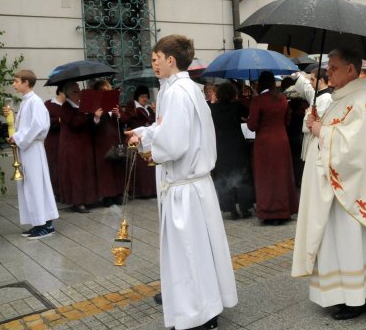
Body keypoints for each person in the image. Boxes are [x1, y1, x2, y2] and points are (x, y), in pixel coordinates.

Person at [126, 35, 237, 330]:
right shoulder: (186, 88)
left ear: (170, 59)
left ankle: (197, 315)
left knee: (189, 252)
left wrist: (147, 147)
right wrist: (145, 133)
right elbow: (168, 129)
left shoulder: (176, 92)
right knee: (199, 251)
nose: (154, 65)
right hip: (193, 184)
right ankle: (202, 307)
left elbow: (173, 144)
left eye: (155, 59)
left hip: (184, 187)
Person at [292, 47, 366, 321]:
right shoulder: (341, 98)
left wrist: (322, 131)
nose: (328, 72)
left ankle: (357, 298)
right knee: (340, 243)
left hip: (350, 193)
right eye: (328, 68)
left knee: (351, 241)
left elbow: (355, 147)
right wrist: (318, 123)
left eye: (333, 67)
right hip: (336, 189)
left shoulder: (362, 101)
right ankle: (348, 294)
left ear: (351, 69)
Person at [2, 70, 59, 239]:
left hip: (33, 149)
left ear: (26, 82)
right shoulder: (26, 102)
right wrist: (13, 114)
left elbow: (39, 126)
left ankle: (46, 225)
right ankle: (38, 222)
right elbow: (27, 123)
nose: (14, 84)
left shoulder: (35, 101)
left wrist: (17, 137)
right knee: (29, 187)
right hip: (26, 149)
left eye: (16, 81)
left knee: (37, 186)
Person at [247, 71, 298, 225]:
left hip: (265, 143)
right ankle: (284, 210)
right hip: (282, 140)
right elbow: (288, 119)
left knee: (266, 177)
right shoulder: (282, 98)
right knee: (282, 176)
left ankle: (270, 212)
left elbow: (252, 125)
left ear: (260, 83)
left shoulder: (259, 101)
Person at [210, 82, 254, 220]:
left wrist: (212, 102)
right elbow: (248, 114)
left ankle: (231, 209)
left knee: (224, 176)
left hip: (221, 145)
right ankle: (244, 207)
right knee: (241, 175)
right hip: (237, 143)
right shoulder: (237, 106)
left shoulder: (213, 109)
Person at [58, 81, 99, 213]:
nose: (79, 93)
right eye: (76, 91)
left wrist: (95, 117)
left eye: (79, 90)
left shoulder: (81, 106)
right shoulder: (66, 107)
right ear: (69, 95)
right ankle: (77, 201)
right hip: (72, 147)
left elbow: (90, 124)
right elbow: (74, 123)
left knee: (86, 172)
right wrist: (86, 113)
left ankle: (88, 198)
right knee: (76, 174)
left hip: (84, 145)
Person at [91, 79, 125, 207]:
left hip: (116, 141)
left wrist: (119, 115)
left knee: (117, 167)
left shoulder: (115, 104)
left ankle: (118, 194)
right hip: (102, 142)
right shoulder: (95, 106)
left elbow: (124, 121)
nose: (105, 92)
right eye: (102, 90)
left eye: (107, 90)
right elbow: (91, 125)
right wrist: (96, 116)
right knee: (105, 170)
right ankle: (107, 196)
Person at [120, 85, 157, 198]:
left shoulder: (148, 108)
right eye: (142, 96)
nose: (144, 99)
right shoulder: (133, 108)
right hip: (137, 138)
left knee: (150, 165)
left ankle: (151, 190)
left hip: (148, 138)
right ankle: (141, 191)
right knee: (140, 167)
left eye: (146, 96)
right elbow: (128, 119)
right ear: (137, 97)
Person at [292, 67, 332, 164]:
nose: (310, 82)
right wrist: (299, 76)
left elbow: (319, 120)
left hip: (316, 139)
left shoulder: (327, 98)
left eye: (312, 79)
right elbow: (307, 89)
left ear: (321, 80)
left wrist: (308, 113)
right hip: (310, 138)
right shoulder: (317, 94)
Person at [44, 86, 65, 198]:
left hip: (66, 140)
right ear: (61, 92)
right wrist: (58, 120)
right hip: (53, 140)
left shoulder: (71, 105)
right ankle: (57, 192)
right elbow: (44, 122)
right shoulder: (48, 104)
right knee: (55, 166)